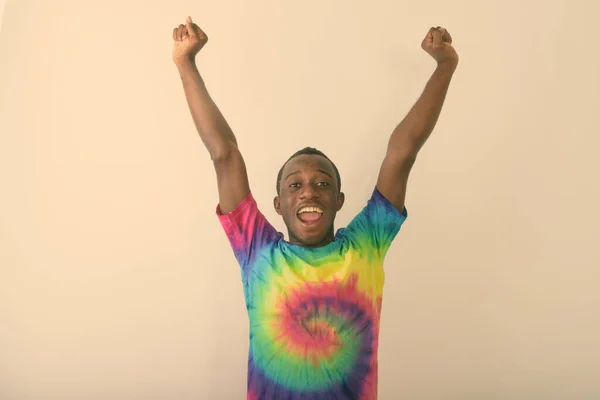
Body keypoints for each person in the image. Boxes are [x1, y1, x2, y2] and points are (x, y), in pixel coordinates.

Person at [172, 15, 458, 400]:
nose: (309, 192)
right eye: (296, 185)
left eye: (323, 184)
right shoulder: (257, 251)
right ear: (278, 204)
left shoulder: (365, 245)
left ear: (339, 200)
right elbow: (224, 154)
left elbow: (401, 153)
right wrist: (185, 63)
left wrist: (445, 66)